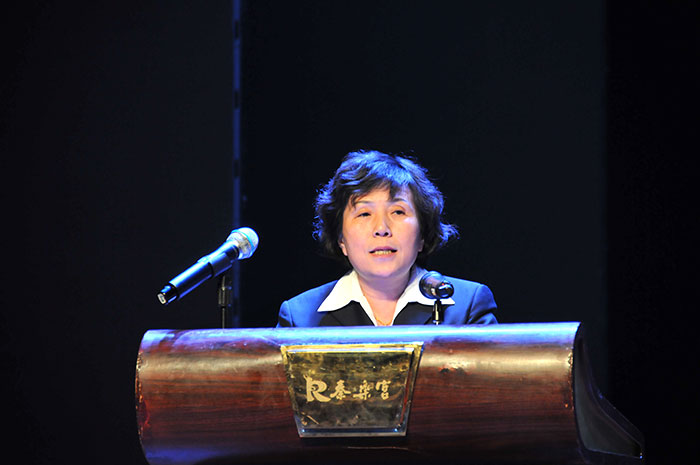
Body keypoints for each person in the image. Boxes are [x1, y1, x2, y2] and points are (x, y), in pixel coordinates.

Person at [277, 150, 497, 327]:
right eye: (364, 214)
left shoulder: (467, 307)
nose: (381, 229)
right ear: (341, 239)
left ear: (422, 233)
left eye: (398, 212)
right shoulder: (301, 317)